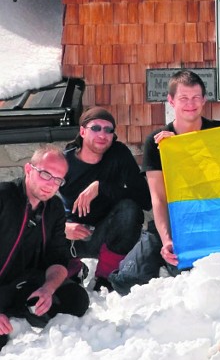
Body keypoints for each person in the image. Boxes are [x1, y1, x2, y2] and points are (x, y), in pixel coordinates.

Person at [109, 70, 220, 295]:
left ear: (204, 100)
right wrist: (166, 240)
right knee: (128, 280)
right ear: (171, 101)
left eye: (195, 98)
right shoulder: (157, 142)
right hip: (174, 219)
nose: (190, 104)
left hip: (213, 217)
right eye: (183, 98)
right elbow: (158, 197)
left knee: (199, 276)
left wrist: (183, 150)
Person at [0, 145, 89, 352]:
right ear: (29, 169)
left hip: (23, 284)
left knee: (75, 300)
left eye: (58, 180)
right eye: (46, 174)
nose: (51, 184)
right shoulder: (4, 197)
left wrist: (48, 289)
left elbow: (57, 257)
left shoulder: (54, 208)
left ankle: (25, 310)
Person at [59, 107, 151, 291]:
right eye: (95, 128)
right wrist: (63, 228)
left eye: (108, 130)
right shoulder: (64, 161)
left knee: (129, 208)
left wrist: (102, 187)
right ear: (82, 131)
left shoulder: (118, 154)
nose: (103, 134)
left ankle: (106, 276)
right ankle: (72, 270)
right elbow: (40, 201)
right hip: (72, 237)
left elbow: (145, 199)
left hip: (108, 234)